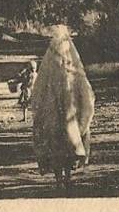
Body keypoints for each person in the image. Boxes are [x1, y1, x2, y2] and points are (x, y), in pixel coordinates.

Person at [30, 24, 96, 188]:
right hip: (67, 113)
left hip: (57, 113)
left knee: (57, 146)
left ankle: (61, 178)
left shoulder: (50, 59)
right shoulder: (71, 59)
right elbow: (83, 86)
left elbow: (39, 88)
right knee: (67, 144)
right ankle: (65, 177)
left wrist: (39, 109)